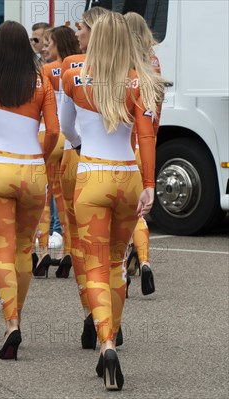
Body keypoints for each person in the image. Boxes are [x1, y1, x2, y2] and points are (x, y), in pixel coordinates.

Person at [60, 12, 163, 390]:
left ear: (97, 39)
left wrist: (80, 146)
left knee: (95, 267)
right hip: (129, 176)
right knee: (118, 265)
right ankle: (111, 335)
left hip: (92, 176)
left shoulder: (74, 76)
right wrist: (150, 183)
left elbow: (65, 125)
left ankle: (106, 343)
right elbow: (147, 135)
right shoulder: (140, 81)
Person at [0, 21, 60, 360]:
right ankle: (15, 314)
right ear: (26, 47)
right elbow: (53, 131)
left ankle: (11, 322)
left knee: (0, 248)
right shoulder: (42, 83)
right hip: (32, 170)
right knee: (24, 248)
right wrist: (40, 157)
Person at [60, 5, 110, 350]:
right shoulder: (134, 70)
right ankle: (111, 325)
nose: (77, 33)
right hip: (126, 166)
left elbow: (63, 126)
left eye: (82, 28)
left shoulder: (70, 67)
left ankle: (91, 316)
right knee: (114, 259)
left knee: (82, 245)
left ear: (94, 32)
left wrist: (77, 145)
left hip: (81, 161)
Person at [35, 25, 82, 280]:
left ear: (58, 44)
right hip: (73, 138)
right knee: (67, 199)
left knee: (46, 195)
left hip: (49, 133)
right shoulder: (79, 67)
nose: (45, 47)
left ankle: (43, 251)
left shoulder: (47, 69)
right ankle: (69, 251)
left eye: (49, 42)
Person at [123, 11, 161, 297]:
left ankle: (122, 268)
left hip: (124, 146)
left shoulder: (122, 66)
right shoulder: (153, 65)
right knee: (140, 213)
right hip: (147, 141)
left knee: (123, 214)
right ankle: (145, 260)